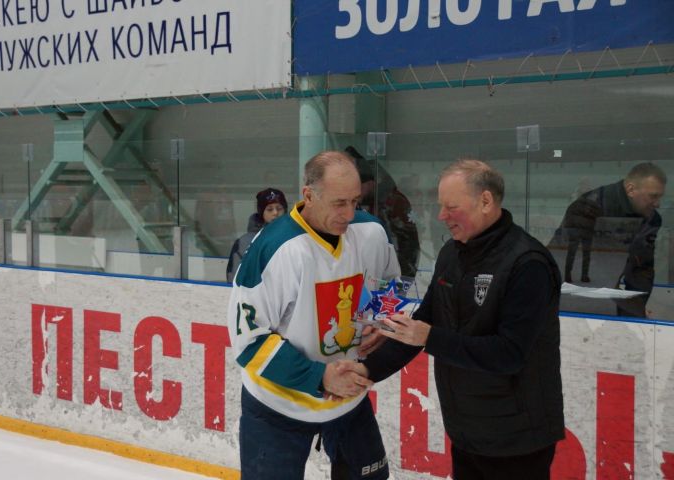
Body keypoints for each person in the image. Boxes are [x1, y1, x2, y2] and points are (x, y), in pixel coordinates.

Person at [359, 159, 565, 480]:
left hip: (518, 440)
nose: (441, 216)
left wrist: (428, 337)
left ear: (485, 201)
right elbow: (425, 323)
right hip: (468, 431)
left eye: (451, 207)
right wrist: (364, 371)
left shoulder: (528, 263)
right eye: (441, 206)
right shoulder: (452, 253)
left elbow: (509, 354)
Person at [227, 151, 401, 479]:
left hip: (349, 402)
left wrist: (382, 323)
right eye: (339, 203)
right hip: (277, 406)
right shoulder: (274, 247)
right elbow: (248, 342)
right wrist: (318, 377)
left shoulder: (371, 233)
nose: (349, 214)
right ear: (309, 195)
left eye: (355, 201)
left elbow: (391, 284)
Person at [551, 162, 666, 317]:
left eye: (660, 196)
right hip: (573, 298)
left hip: (606, 293)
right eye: (653, 196)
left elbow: (641, 267)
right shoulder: (588, 207)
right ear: (631, 189)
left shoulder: (651, 219)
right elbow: (565, 259)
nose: (658, 203)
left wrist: (635, 307)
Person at [345, 146, 420, 278]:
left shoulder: (394, 202)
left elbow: (408, 243)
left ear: (371, 183)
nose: (354, 191)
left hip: (394, 270)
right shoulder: (360, 203)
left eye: (359, 186)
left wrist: (403, 276)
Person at [225, 188, 288, 283]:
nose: (275, 213)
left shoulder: (295, 238)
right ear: (261, 213)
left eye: (279, 208)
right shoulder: (245, 242)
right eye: (269, 209)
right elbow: (234, 278)